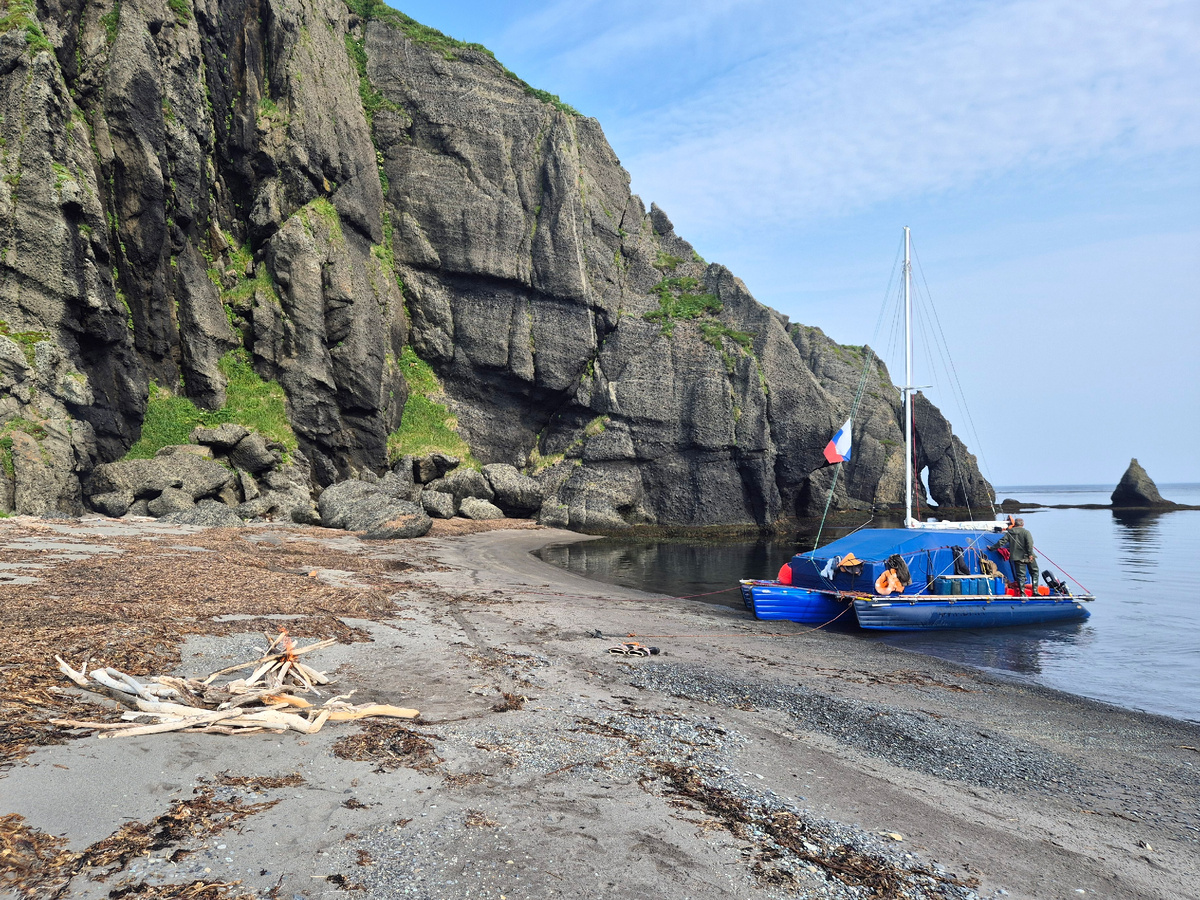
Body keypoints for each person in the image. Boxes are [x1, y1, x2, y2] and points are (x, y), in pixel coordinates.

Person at [990, 517, 1038, 594]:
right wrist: (1030, 554)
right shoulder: (1026, 532)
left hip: (1017, 557)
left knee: (1020, 575)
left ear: (1015, 524)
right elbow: (1030, 544)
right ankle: (1035, 591)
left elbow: (1002, 542)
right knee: (1035, 572)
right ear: (1023, 524)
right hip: (1028, 556)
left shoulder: (1010, 533)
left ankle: (1022, 593)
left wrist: (992, 548)